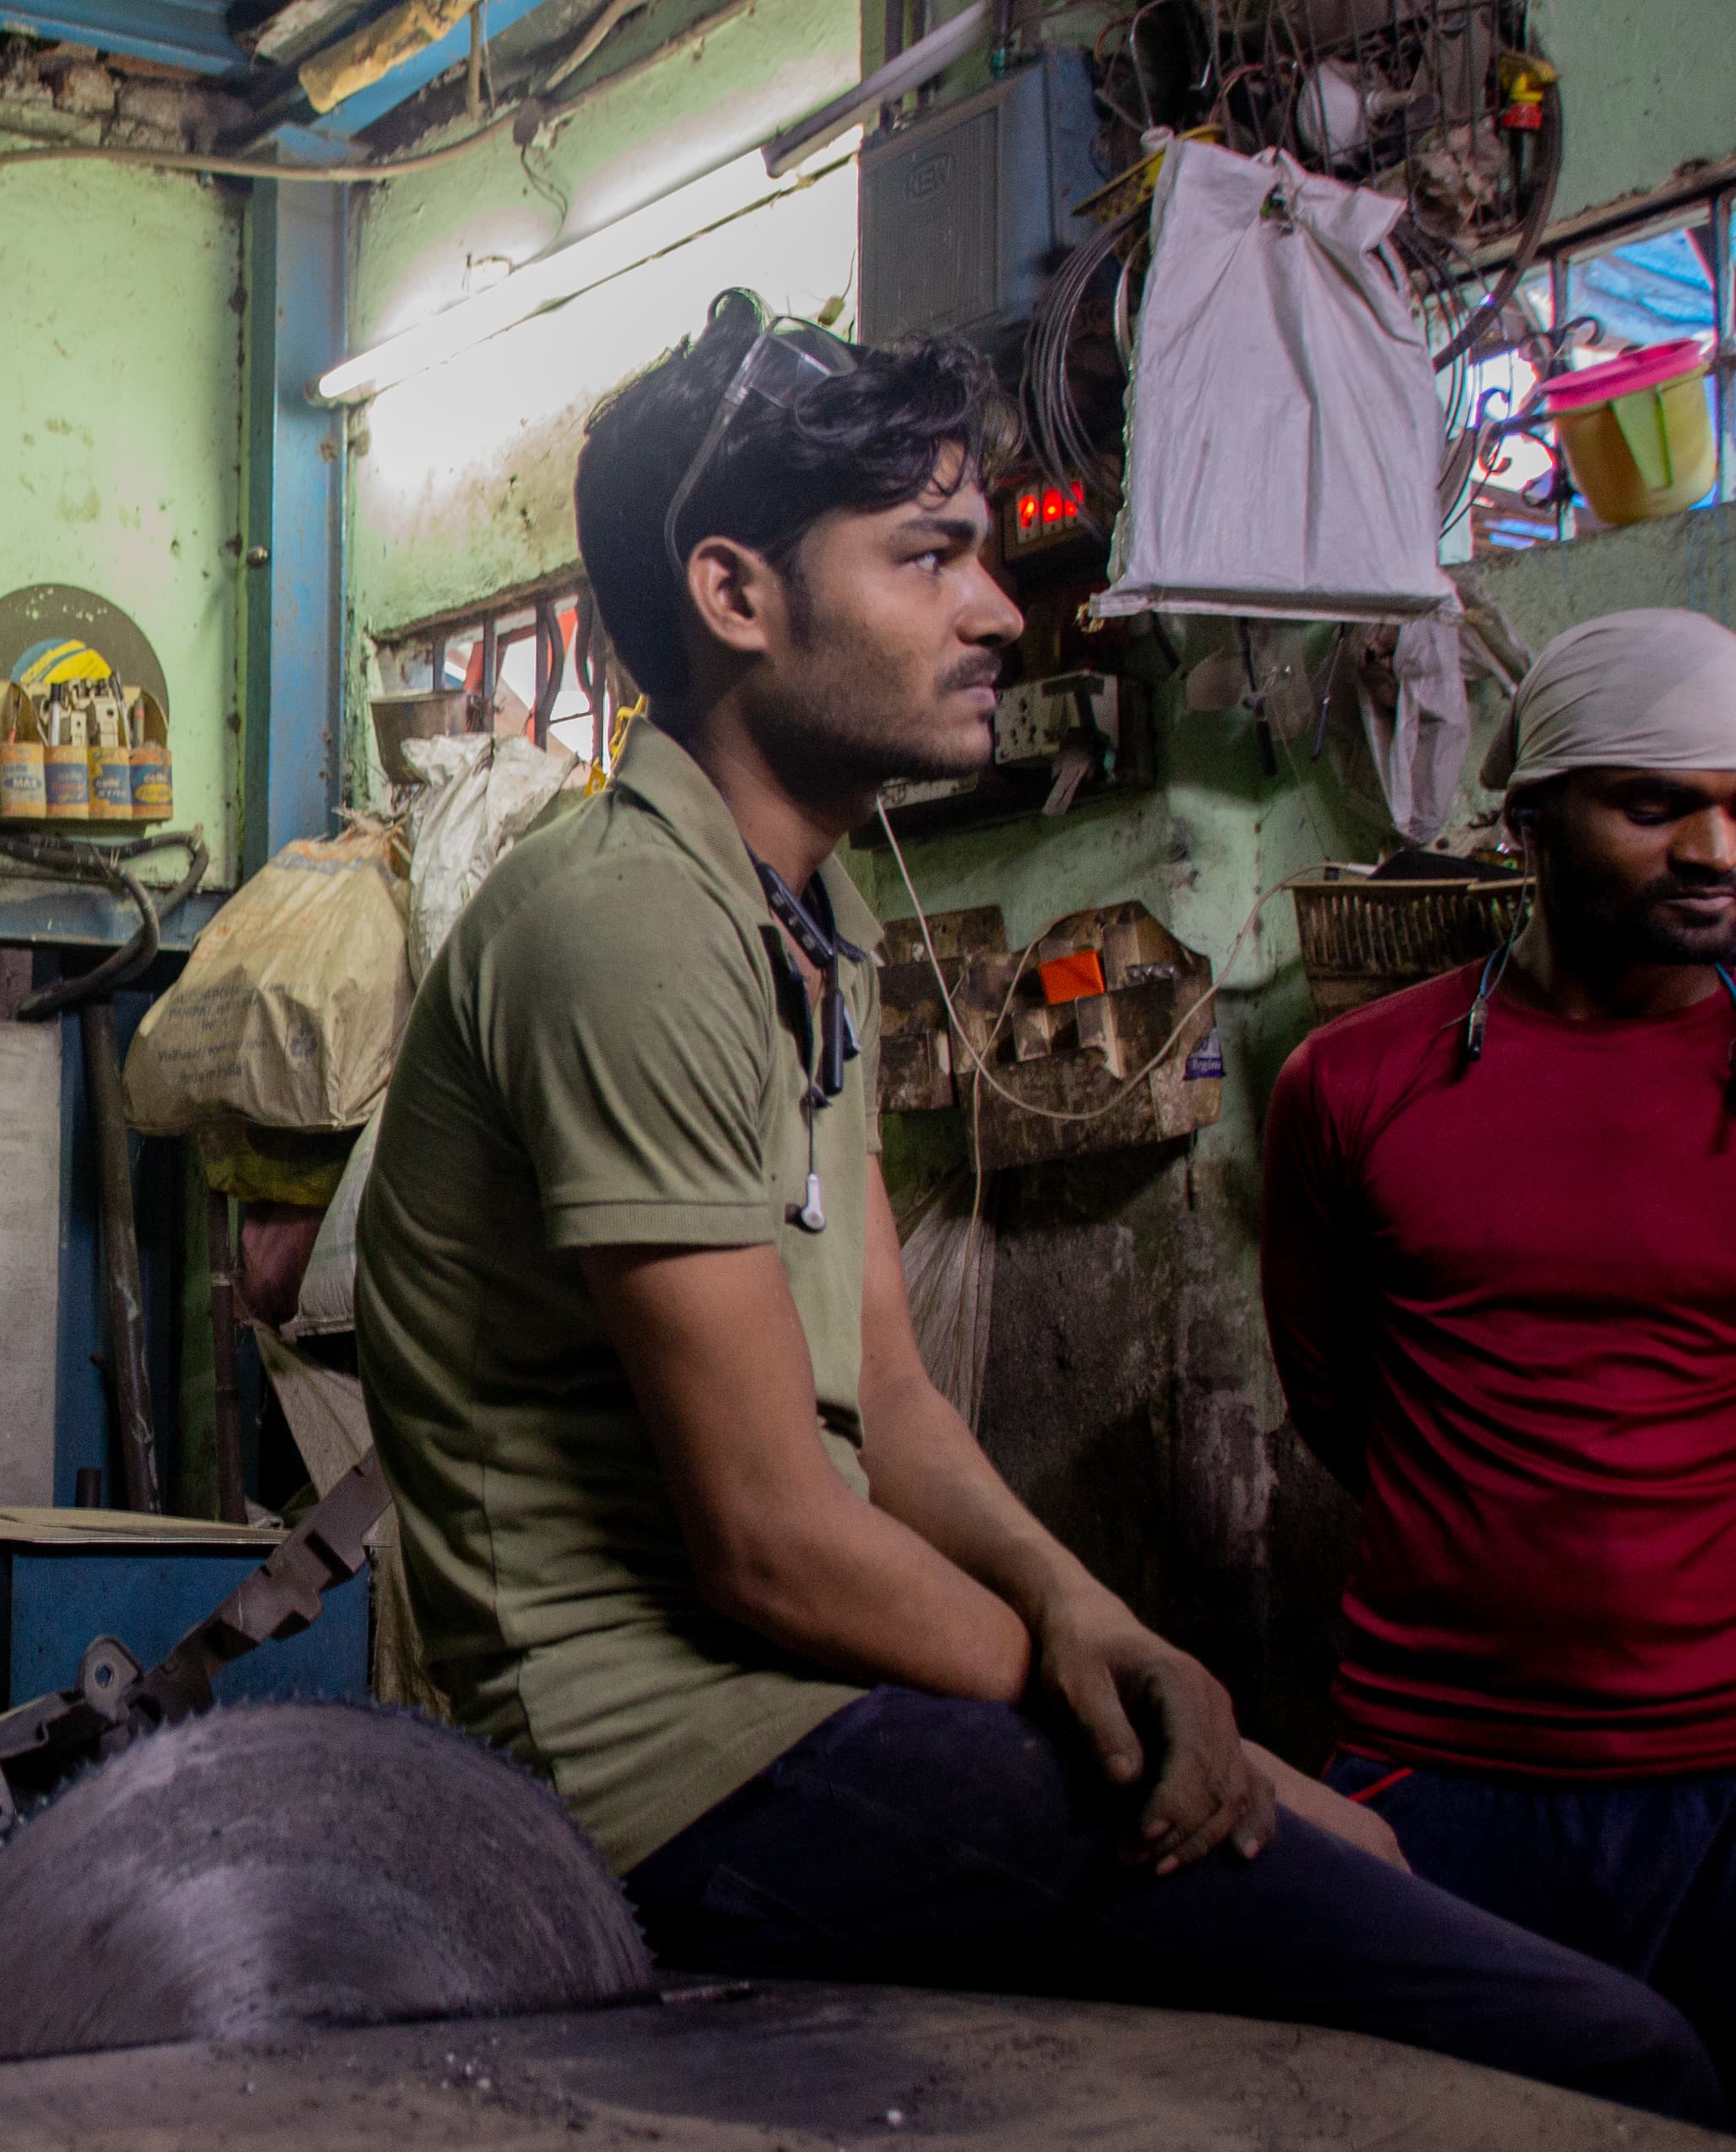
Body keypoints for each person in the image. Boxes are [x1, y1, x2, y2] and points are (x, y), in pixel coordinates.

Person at [351, 289, 1722, 2126]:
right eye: (928, 557)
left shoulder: (801, 919)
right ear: (738, 595)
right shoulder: (622, 919)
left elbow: (895, 1409)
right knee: (1616, 2051)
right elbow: (769, 1535)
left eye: (983, 555)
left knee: (1366, 1878)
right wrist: (1142, 1713)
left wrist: (1107, 1625)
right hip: (677, 1759)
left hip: (799, 1702)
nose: (998, 609)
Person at [1265, 606, 1736, 2075]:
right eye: (1657, 805)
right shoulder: (1354, 1084)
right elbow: (1339, 1400)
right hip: (1441, 1765)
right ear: (1528, 823)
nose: (1717, 850)